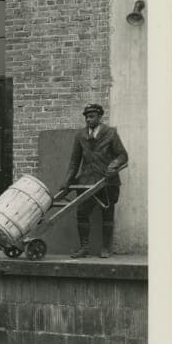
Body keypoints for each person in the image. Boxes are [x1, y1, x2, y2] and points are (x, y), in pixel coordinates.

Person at [60, 103, 129, 258]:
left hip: (107, 181)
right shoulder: (80, 136)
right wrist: (67, 181)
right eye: (86, 117)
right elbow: (74, 161)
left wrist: (114, 165)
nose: (88, 120)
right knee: (82, 213)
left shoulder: (111, 133)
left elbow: (123, 155)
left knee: (107, 213)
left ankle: (105, 248)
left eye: (91, 116)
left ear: (99, 117)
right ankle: (84, 248)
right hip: (86, 181)